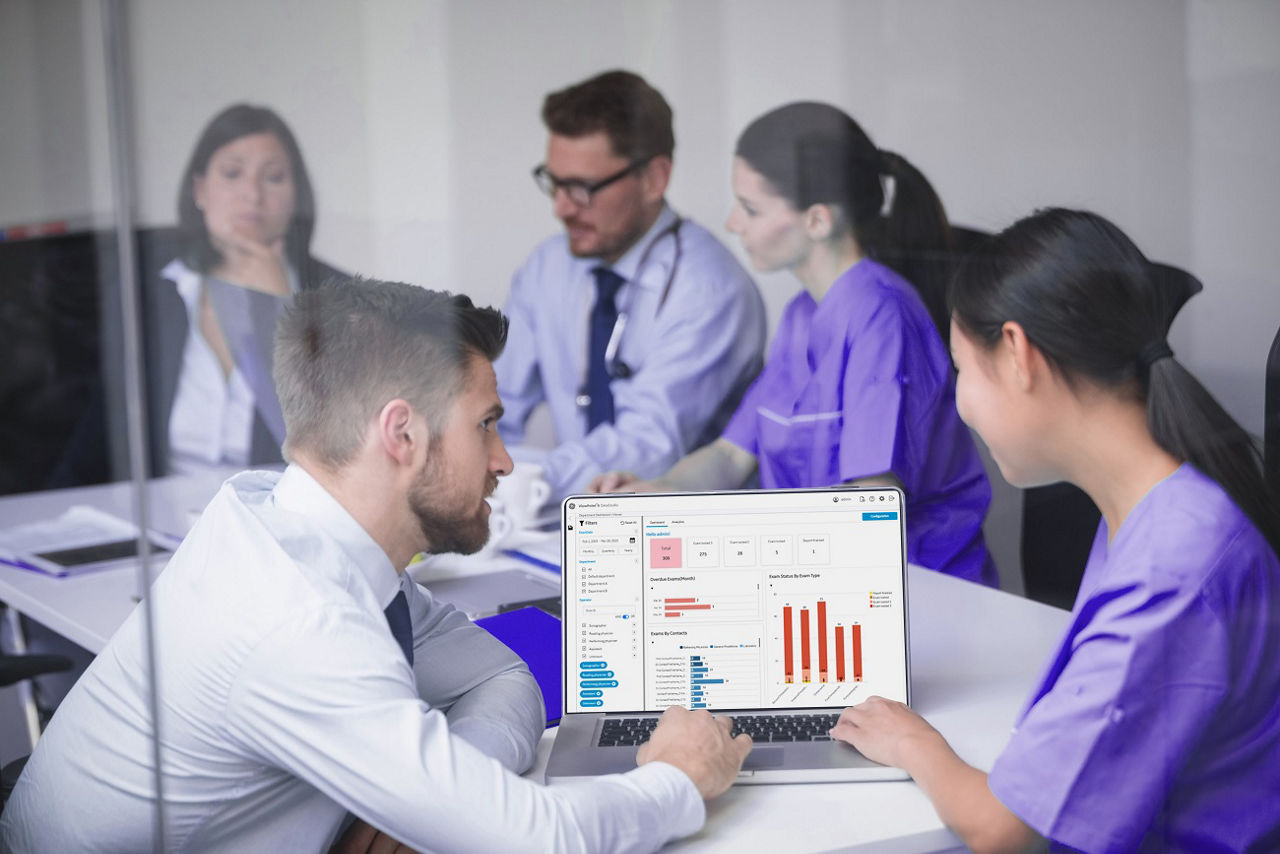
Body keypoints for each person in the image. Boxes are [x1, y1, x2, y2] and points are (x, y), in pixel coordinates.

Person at [0, 279, 753, 853]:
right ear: (402, 433)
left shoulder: (286, 516)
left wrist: (427, 796)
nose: (505, 460)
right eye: (486, 425)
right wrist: (677, 778)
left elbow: (503, 678)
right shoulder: (298, 622)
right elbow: (538, 840)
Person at [830, 209, 1280, 853]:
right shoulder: (1155, 507)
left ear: (1016, 354)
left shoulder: (1174, 562)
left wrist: (911, 742)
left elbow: (1005, 830)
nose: (959, 404)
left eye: (962, 371)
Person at [593, 102, 995, 585]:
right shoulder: (802, 316)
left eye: (751, 208)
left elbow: (870, 508)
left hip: (917, 592)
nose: (732, 223)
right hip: (819, 585)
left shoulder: (883, 318)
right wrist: (655, 490)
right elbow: (729, 456)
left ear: (818, 221)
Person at [495, 70, 767, 501]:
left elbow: (646, 447)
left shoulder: (711, 291)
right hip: (574, 519)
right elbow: (495, 403)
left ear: (654, 179)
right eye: (554, 182)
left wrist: (523, 483)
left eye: (583, 187)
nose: (561, 208)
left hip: (683, 531)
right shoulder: (546, 268)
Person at [149, 102, 344, 476]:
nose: (253, 195)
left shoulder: (342, 298)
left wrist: (283, 308)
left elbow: (335, 449)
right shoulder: (150, 295)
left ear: (295, 196)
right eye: (233, 174)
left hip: (276, 517)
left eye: (273, 178)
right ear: (200, 189)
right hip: (164, 521)